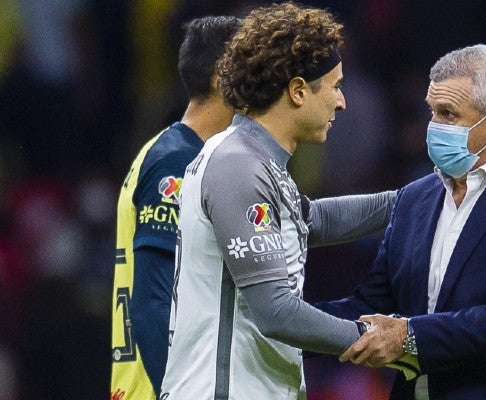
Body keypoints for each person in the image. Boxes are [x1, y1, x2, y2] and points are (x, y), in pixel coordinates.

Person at [319, 44, 486, 399]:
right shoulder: (415, 198)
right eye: (431, 112)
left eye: (448, 114)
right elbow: (372, 306)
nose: (433, 127)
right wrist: (285, 324)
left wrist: (408, 336)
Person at [160, 2, 396, 399]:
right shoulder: (238, 167)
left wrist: (420, 200)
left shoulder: (258, 162)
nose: (342, 102)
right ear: (299, 91)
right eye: (335, 87)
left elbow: (315, 219)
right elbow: (277, 313)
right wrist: (374, 338)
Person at [110, 16, 241, 399]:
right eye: (254, 68)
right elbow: (152, 302)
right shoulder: (175, 164)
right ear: (223, 76)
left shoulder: (184, 155)